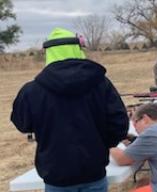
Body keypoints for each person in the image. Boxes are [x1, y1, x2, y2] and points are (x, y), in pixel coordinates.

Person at [11, 28, 129, 192]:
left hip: (56, 174)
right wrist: (102, 145)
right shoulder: (101, 84)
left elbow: (22, 123)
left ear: (49, 53)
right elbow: (119, 123)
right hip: (93, 170)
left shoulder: (32, 91)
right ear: (78, 49)